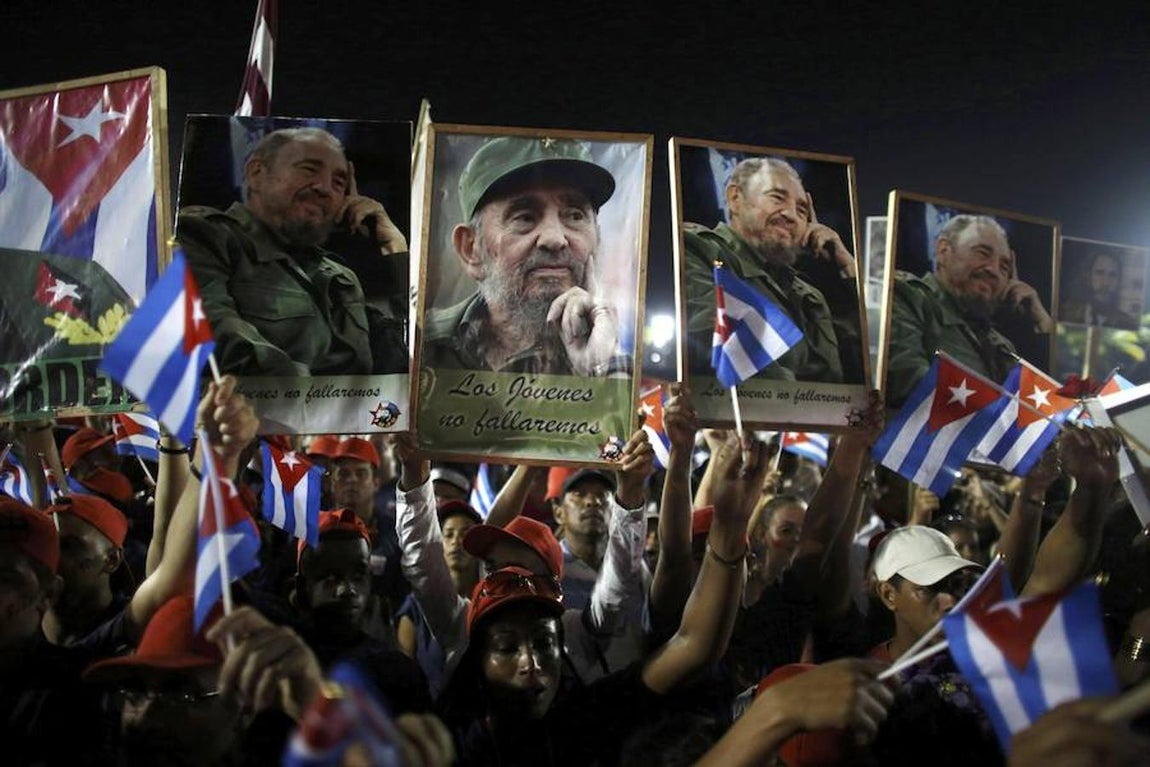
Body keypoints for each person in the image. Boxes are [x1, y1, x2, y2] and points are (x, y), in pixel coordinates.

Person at [177, 126, 409, 377]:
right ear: (256, 173)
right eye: (309, 169)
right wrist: (321, 398)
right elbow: (215, 335)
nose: (324, 188)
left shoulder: (341, 277)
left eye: (338, 182)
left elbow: (404, 356)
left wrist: (394, 248)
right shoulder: (205, 235)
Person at [423, 136, 630, 377]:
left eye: (574, 216)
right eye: (524, 217)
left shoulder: (620, 367)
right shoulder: (420, 345)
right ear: (471, 249)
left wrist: (602, 369)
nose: (554, 239)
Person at [682, 156, 864, 384]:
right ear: (735, 198)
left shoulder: (810, 296)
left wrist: (848, 271)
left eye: (802, 210)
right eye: (777, 198)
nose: (791, 215)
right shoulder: (698, 250)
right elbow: (726, 351)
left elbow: (862, 376)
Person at [886, 214, 1053, 406]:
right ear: (943, 250)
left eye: (1004, 266)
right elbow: (911, 383)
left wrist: (1043, 322)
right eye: (982, 253)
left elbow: (1034, 411)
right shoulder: (908, 297)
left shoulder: (1001, 346)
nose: (993, 270)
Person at [1060, 250, 1140, 329]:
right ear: (1088, 275)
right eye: (1099, 273)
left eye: (1112, 274)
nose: (1106, 280)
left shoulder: (1126, 322)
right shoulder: (1067, 311)